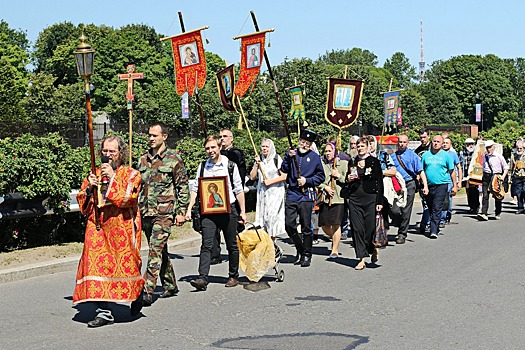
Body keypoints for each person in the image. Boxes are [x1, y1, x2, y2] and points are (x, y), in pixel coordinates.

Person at [73, 135, 144, 328]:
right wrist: (89, 189)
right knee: (97, 266)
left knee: (127, 264)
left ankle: (138, 291)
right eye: (105, 151)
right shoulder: (94, 173)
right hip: (97, 227)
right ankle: (104, 311)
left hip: (121, 226)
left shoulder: (131, 174)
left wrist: (112, 177)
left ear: (121, 153)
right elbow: (83, 205)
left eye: (112, 151)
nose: (108, 155)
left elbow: (126, 199)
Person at [185, 135, 247, 291]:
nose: (210, 151)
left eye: (213, 147)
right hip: (209, 212)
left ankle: (233, 276)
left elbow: (239, 189)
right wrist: (188, 209)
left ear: (219, 147)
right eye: (207, 148)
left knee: (231, 244)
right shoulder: (202, 167)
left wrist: (243, 212)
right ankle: (202, 278)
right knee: (206, 245)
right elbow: (195, 189)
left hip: (228, 211)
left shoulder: (230, 166)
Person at [138, 122, 189, 306]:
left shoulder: (173, 160)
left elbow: (182, 187)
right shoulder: (143, 160)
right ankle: (170, 284)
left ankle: (147, 291)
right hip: (146, 213)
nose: (151, 139)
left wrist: (182, 212)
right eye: (150, 135)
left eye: (155, 136)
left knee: (154, 250)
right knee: (160, 250)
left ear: (164, 137)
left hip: (164, 213)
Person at [281, 129, 325, 267]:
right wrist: (288, 157)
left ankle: (307, 254)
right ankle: (299, 248)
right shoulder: (291, 154)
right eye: (302, 141)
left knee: (306, 226)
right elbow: (284, 169)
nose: (303, 144)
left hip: (306, 194)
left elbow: (320, 176)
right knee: (289, 224)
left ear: (310, 144)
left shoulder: (314, 157)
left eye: (307, 143)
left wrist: (307, 180)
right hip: (293, 193)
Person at [209, 129, 247, 264]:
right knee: (214, 227)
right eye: (220, 137)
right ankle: (215, 254)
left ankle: (241, 251)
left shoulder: (235, 153)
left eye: (225, 136)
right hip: (219, 195)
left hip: (233, 196)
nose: (222, 138)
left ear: (232, 138)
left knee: (236, 227)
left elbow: (234, 160)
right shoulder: (215, 155)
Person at [346, 137, 384, 270]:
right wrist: (348, 178)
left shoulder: (374, 162)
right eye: (358, 146)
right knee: (357, 228)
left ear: (368, 147)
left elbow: (379, 182)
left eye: (363, 146)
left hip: (370, 198)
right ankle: (361, 258)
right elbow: (347, 177)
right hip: (355, 198)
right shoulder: (352, 161)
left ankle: (372, 248)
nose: (360, 148)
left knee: (369, 228)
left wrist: (379, 201)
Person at [391, 134, 428, 244]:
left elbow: (420, 171)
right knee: (394, 209)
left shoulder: (413, 156)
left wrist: (425, 186)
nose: (401, 144)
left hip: (409, 183)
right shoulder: (392, 156)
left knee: (406, 209)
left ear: (407, 143)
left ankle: (402, 234)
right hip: (396, 185)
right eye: (400, 142)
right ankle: (398, 221)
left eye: (403, 142)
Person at [249, 138, 286, 239]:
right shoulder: (259, 159)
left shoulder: (276, 159)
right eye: (263, 146)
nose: (264, 149)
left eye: (267, 147)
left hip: (275, 193)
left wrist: (270, 182)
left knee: (271, 218)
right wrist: (256, 164)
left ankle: (272, 243)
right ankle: (267, 243)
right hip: (262, 194)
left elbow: (284, 176)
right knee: (263, 218)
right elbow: (252, 177)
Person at [421, 135, 457, 238]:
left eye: (438, 142)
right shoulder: (426, 155)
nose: (435, 143)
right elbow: (421, 170)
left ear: (442, 144)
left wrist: (455, 185)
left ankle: (433, 231)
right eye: (434, 141)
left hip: (442, 185)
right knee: (431, 207)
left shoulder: (446, 156)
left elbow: (452, 171)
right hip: (428, 185)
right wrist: (422, 184)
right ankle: (434, 225)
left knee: (437, 207)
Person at [318, 142, 348, 258]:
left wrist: (338, 175)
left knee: (336, 224)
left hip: (338, 198)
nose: (327, 153)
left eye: (329, 151)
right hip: (325, 198)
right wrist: (324, 187)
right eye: (325, 151)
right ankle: (335, 237)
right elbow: (316, 180)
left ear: (335, 152)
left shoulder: (343, 164)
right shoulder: (321, 164)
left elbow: (347, 180)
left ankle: (334, 250)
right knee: (325, 225)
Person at [367, 135, 396, 239]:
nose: (370, 146)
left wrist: (380, 172)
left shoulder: (383, 155)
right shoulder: (364, 157)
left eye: (372, 143)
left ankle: (383, 233)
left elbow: (393, 171)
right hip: (368, 188)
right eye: (368, 143)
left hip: (382, 186)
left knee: (383, 210)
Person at [478, 140, 509, 221]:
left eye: (490, 147)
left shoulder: (499, 156)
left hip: (496, 176)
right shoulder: (484, 156)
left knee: (497, 195)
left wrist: (503, 176)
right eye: (487, 148)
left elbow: (506, 167)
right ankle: (484, 213)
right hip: (486, 176)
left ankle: (498, 212)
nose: (489, 149)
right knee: (485, 195)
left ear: (493, 147)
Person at [441, 137, 462, 225]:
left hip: (450, 180)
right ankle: (442, 218)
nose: (445, 144)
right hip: (441, 180)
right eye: (444, 143)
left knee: (448, 199)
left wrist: (459, 181)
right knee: (442, 199)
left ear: (450, 145)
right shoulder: (439, 154)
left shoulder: (453, 155)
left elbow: (459, 168)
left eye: (447, 143)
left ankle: (448, 214)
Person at [459, 138, 479, 213]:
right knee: (468, 191)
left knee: (475, 191)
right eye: (468, 144)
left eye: (471, 144)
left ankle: (476, 206)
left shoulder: (476, 152)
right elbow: (460, 164)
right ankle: (471, 206)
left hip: (474, 174)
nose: (470, 145)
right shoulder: (462, 153)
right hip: (466, 175)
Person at [509, 140, 525, 214]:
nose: (519, 150)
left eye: (520, 148)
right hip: (517, 176)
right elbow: (511, 167)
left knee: (524, 191)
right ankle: (520, 207)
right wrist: (510, 177)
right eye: (518, 148)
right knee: (519, 193)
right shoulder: (514, 155)